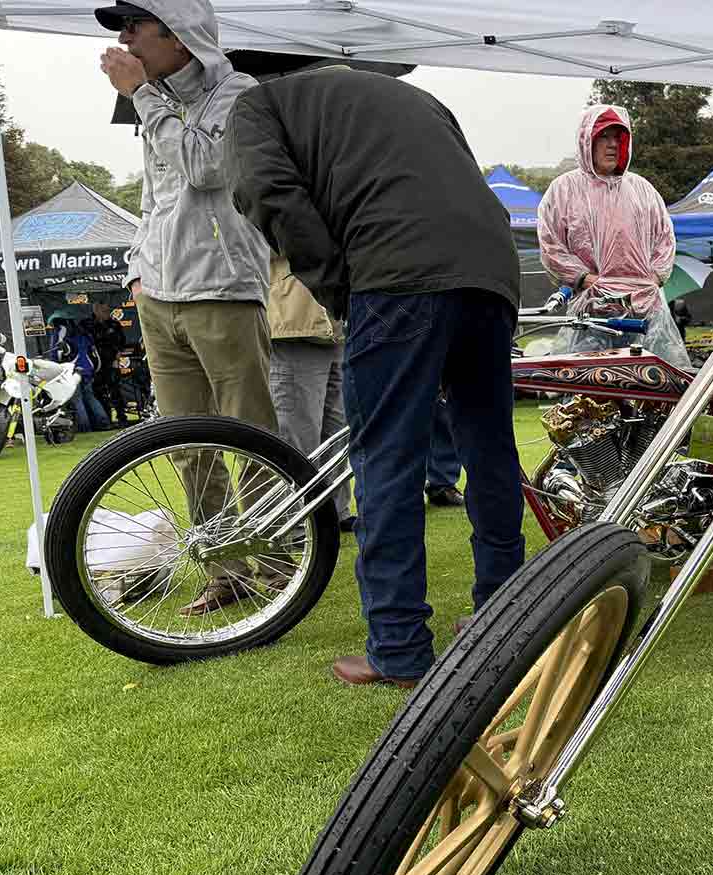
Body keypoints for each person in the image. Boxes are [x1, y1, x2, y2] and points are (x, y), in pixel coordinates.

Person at [225, 66, 526, 688]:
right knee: (490, 448)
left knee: (387, 457)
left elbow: (268, 195)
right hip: (492, 268)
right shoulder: (412, 97)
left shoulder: (254, 107)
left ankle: (398, 647)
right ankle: (507, 618)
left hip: (395, 270)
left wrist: (340, 290)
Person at [96, 0, 277, 615]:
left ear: (176, 34)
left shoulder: (239, 92)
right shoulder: (159, 98)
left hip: (223, 290)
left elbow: (203, 168)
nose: (125, 39)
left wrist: (143, 98)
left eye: (133, 26)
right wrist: (138, 272)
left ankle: (281, 563)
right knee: (185, 443)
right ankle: (227, 570)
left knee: (251, 436)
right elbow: (157, 199)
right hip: (161, 293)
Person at [537, 105, 691, 368]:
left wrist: (653, 278)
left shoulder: (642, 190)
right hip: (593, 312)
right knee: (591, 392)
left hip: (644, 311)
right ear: (587, 140)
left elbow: (665, 239)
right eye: (603, 137)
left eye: (617, 137)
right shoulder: (564, 190)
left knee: (651, 389)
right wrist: (585, 279)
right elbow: (551, 244)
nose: (612, 145)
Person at [266, 255, 355, 532]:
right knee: (298, 436)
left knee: (337, 433)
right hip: (292, 324)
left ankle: (337, 511)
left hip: (336, 327)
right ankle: (296, 522)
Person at [90, 302, 130, 425]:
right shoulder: (89, 324)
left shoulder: (114, 324)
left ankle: (122, 417)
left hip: (111, 362)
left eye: (108, 311)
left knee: (115, 390)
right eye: (104, 311)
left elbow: (122, 341)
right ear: (96, 310)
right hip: (96, 364)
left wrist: (118, 354)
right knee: (99, 391)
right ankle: (105, 418)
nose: (107, 313)